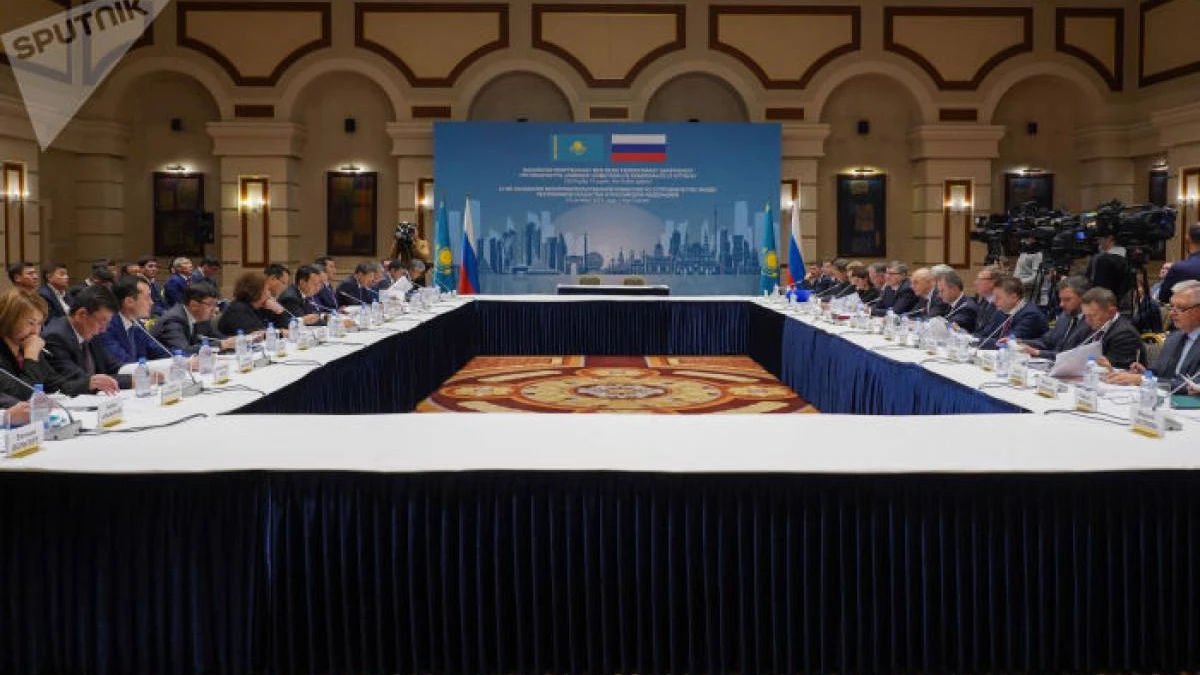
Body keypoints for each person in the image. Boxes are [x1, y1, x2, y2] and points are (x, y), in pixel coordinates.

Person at [1105, 280, 1200, 390]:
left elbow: (1194, 386)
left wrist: (1143, 380)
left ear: (1198, 311)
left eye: (1180, 308)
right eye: (1172, 307)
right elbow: (1160, 373)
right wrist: (1144, 373)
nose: (1172, 313)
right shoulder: (1173, 338)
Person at [41, 286, 127, 394]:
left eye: (107, 323)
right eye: (102, 321)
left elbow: (111, 365)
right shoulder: (55, 337)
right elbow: (82, 379)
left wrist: (138, 374)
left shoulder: (89, 331)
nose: (104, 329)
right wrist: (130, 381)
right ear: (81, 314)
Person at [0, 290, 74, 400]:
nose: (35, 331)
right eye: (31, 323)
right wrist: (31, 357)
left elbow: (56, 384)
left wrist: (88, 383)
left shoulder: (27, 345)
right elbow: (23, 395)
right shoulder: (30, 350)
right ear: (10, 319)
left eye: (39, 324)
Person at [96, 276, 171, 365]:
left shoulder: (136, 324)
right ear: (129, 302)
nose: (152, 302)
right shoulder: (106, 327)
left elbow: (159, 351)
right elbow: (124, 364)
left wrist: (181, 358)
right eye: (147, 297)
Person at [1014, 276, 1091, 361]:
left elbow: (1071, 356)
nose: (1061, 304)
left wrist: (1038, 352)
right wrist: (1019, 342)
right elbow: (1046, 342)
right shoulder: (1065, 316)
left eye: (1067, 299)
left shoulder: (1090, 323)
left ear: (1084, 298)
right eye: (1061, 299)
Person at [1070, 286, 1144, 370]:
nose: (1087, 321)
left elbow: (1117, 369)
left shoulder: (1125, 335)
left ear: (1111, 312)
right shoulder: (1092, 326)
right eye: (1085, 315)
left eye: (1092, 315)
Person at [151, 283, 234, 354]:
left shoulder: (200, 318)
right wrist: (221, 345)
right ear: (194, 305)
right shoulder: (173, 321)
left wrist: (230, 341)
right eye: (210, 305)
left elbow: (212, 338)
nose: (215, 309)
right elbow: (183, 351)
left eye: (215, 304)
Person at [973, 276, 1049, 349]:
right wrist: (970, 338)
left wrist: (975, 341)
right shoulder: (1001, 311)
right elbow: (985, 334)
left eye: (998, 298)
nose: (994, 301)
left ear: (1014, 297)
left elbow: (1008, 342)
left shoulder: (1030, 315)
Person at [217, 271, 285, 336]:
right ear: (256, 291)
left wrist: (279, 311)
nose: (269, 294)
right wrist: (281, 333)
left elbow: (286, 328)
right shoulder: (238, 309)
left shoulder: (259, 307)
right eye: (267, 290)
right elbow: (257, 334)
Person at [1159, 223, 1200, 304]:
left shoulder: (1179, 268)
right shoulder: (1179, 267)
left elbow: (1163, 297)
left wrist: (1166, 278)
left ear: (1187, 239)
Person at [1086, 232, 1130, 300]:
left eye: (1100, 239)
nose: (1098, 241)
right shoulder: (1097, 256)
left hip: (1108, 296)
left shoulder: (1109, 258)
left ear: (1109, 239)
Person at [973, 265, 1001, 331]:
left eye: (980, 280)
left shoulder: (1000, 305)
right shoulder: (983, 302)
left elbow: (989, 332)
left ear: (993, 282)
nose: (975, 283)